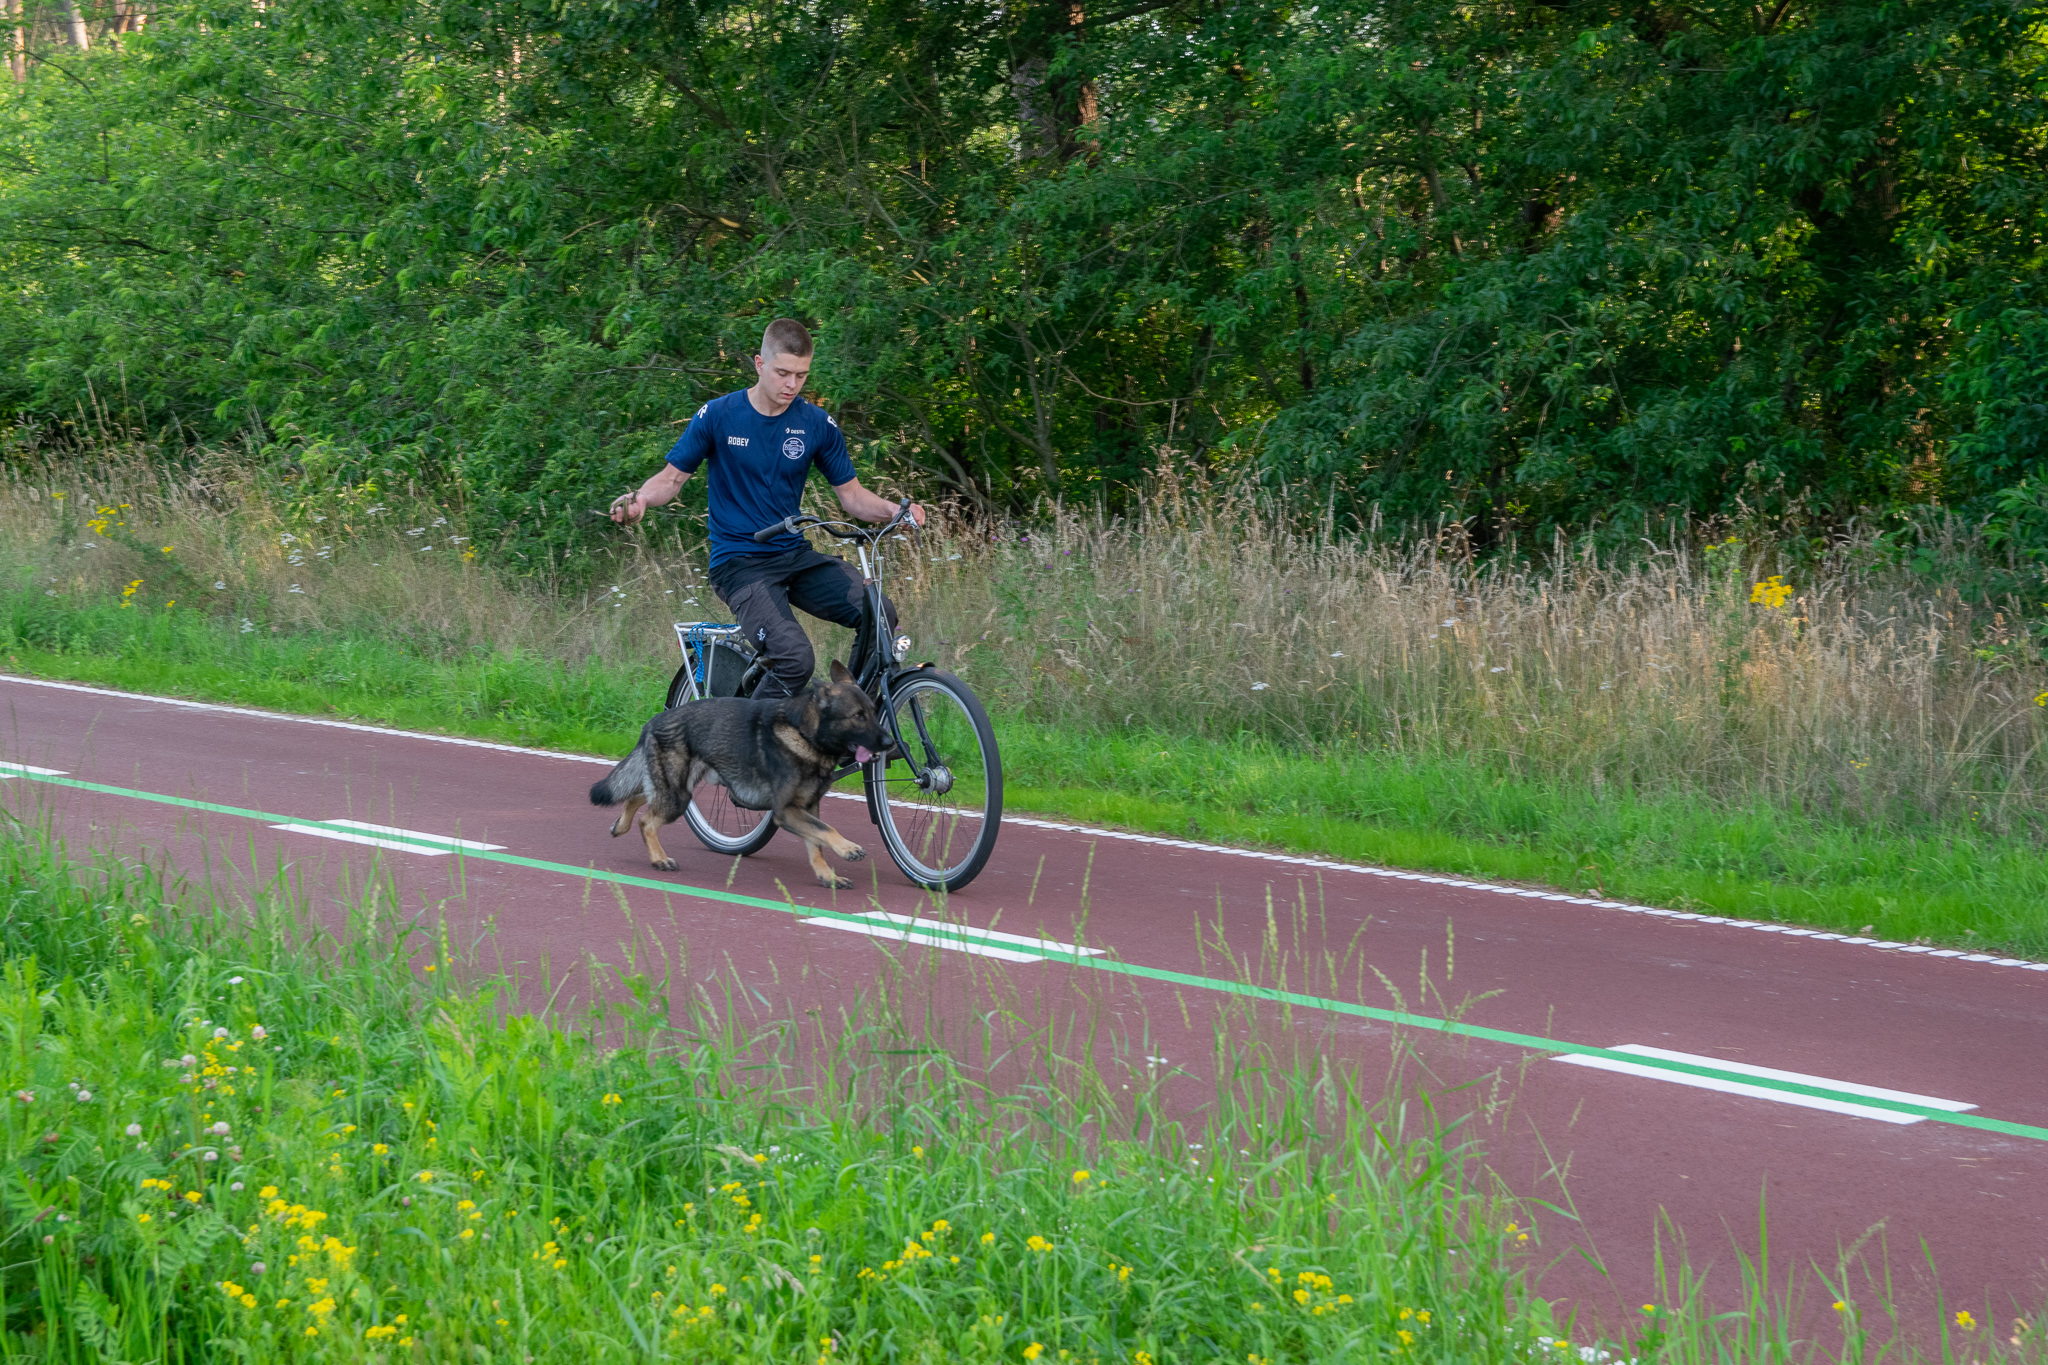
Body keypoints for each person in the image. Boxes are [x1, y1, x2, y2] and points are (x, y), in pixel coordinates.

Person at [610, 318, 925, 699]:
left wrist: (896, 511)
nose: (792, 384)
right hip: (739, 564)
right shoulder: (720, 415)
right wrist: (642, 498)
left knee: (880, 615)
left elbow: (853, 497)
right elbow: (671, 479)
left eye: (801, 375)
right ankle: (752, 734)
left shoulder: (816, 424)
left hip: (793, 555)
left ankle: (848, 714)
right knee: (794, 658)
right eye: (783, 373)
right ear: (760, 364)